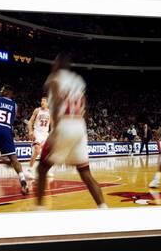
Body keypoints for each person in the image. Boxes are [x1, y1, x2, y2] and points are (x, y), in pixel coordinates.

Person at [35, 52, 107, 209]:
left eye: (54, 62)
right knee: (86, 174)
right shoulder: (79, 81)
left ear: (58, 64)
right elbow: (85, 109)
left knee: (41, 169)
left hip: (64, 125)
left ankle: (39, 210)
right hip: (79, 127)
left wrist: (55, 130)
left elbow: (57, 103)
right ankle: (103, 208)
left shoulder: (54, 78)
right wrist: (81, 128)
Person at [26, 97, 51, 179]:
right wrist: (30, 131)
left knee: (47, 154)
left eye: (44, 101)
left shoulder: (50, 112)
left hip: (45, 133)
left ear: (48, 103)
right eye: (41, 100)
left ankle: (44, 171)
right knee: (37, 150)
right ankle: (29, 170)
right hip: (37, 132)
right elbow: (30, 122)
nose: (42, 102)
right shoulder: (37, 110)